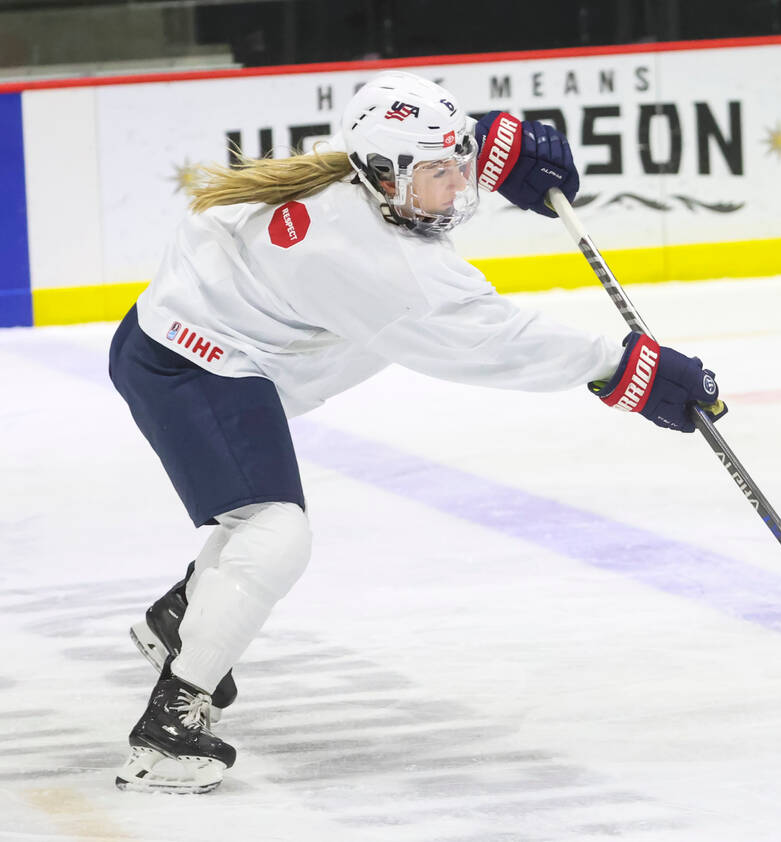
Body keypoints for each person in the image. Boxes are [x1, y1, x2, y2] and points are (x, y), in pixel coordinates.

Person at [108, 70, 726, 793]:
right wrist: (619, 368)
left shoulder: (358, 182)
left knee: (258, 518)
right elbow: (491, 339)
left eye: (460, 166)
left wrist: (495, 148)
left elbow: (433, 237)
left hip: (199, 346)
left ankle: (183, 617)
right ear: (383, 174)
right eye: (438, 173)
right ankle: (168, 727)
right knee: (277, 532)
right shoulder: (370, 262)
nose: (456, 188)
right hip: (189, 369)